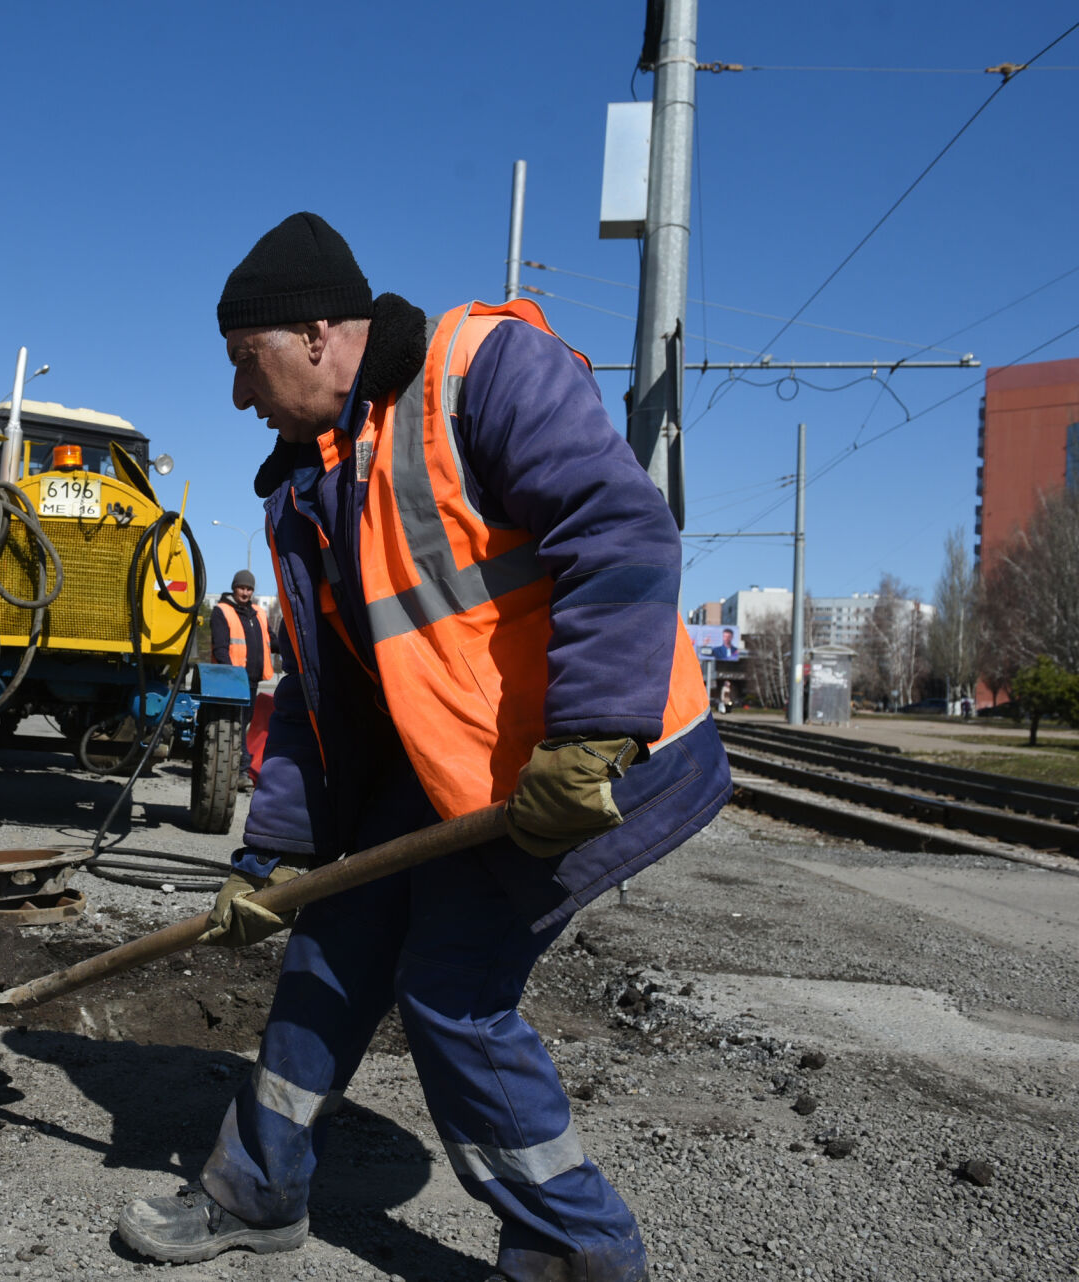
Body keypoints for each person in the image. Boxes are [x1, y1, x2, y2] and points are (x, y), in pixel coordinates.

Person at [114, 213, 730, 1280]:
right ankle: (256, 1189)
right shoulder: (310, 490)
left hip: (599, 757)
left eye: (243, 363)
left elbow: (622, 529)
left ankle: (578, 1252)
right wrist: (275, 865)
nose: (237, 394)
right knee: (333, 936)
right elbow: (325, 703)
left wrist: (589, 737)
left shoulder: (480, 372)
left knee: (452, 983)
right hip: (457, 772)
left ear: (315, 334)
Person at [210, 568, 271, 787]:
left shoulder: (258, 614)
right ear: (234, 588)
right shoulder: (222, 611)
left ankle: (238, 769)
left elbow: (270, 640)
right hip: (233, 683)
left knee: (243, 723)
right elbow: (221, 648)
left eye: (249, 589)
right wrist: (230, 675)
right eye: (241, 588)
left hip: (252, 681)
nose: (245, 592)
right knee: (234, 725)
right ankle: (240, 771)